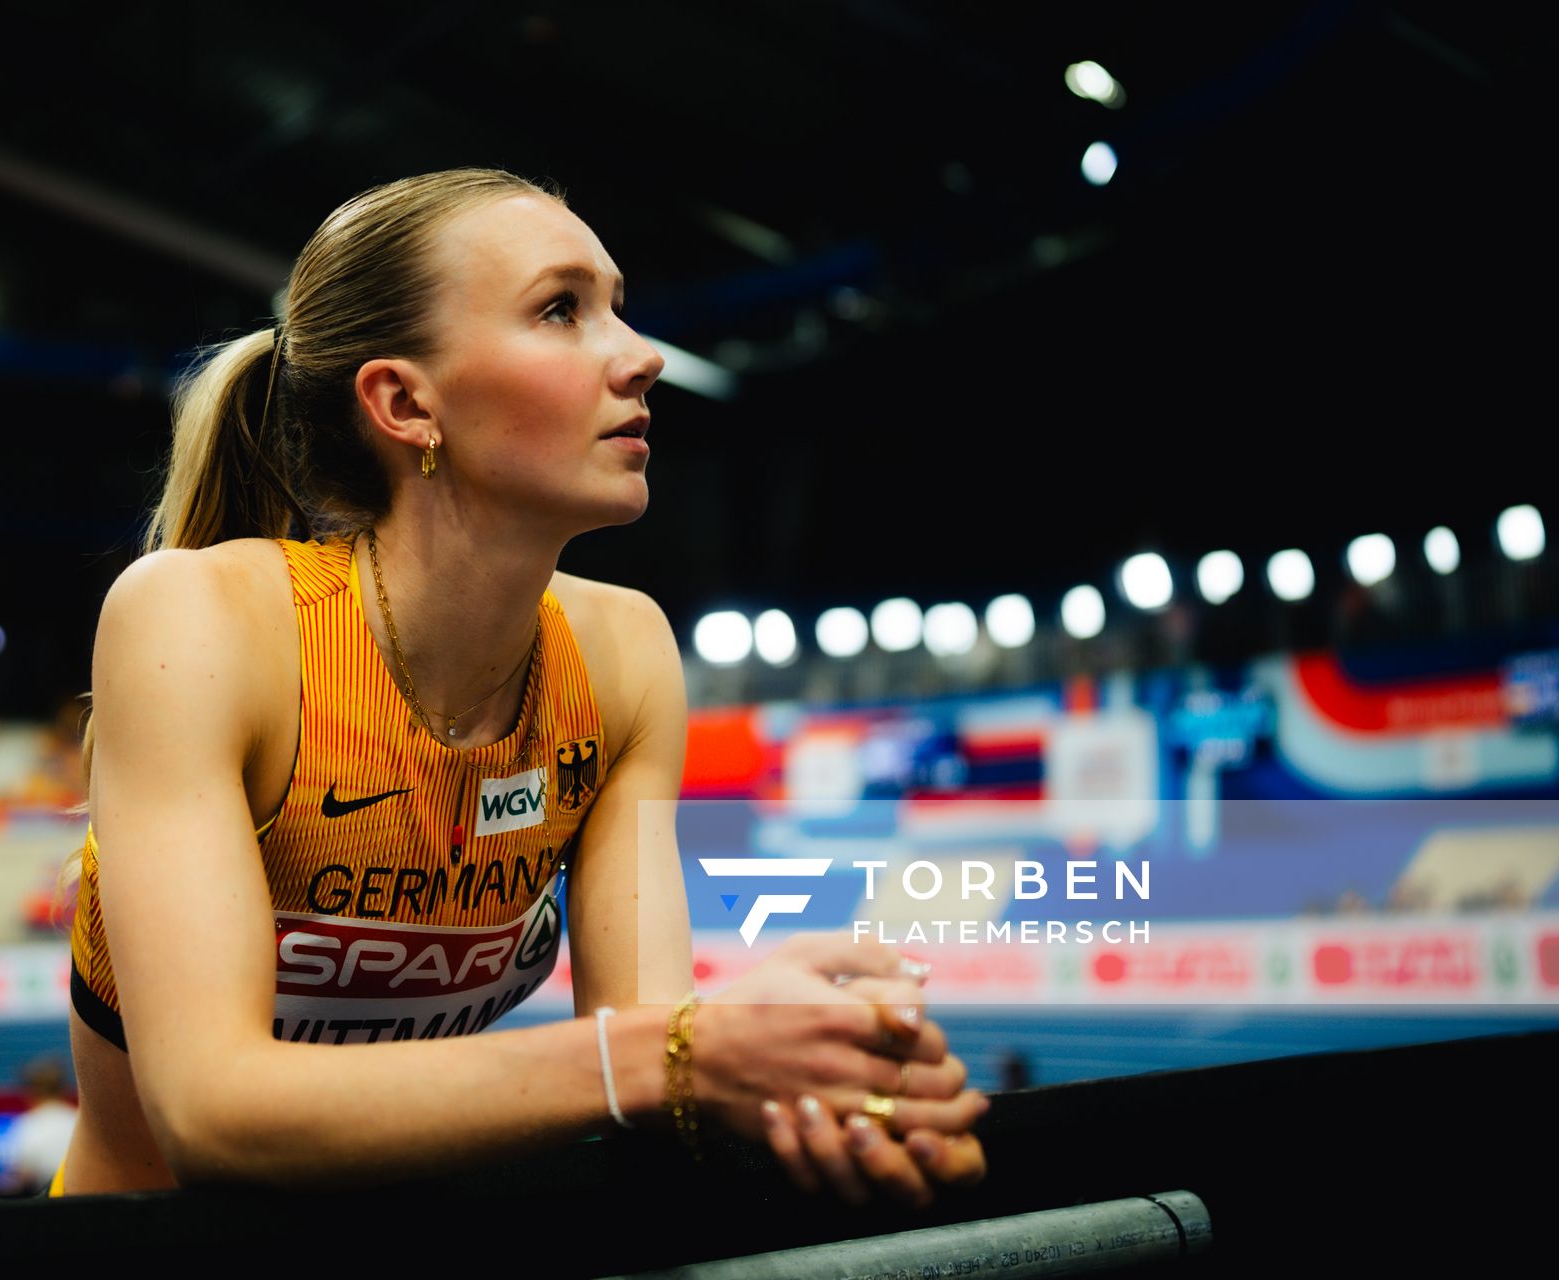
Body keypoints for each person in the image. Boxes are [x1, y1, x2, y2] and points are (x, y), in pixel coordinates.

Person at [51, 167, 989, 1208]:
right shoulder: (199, 622)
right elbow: (213, 1114)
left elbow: (657, 1056)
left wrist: (827, 1070)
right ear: (406, 402)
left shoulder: (626, 652)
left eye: (618, 309)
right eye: (561, 309)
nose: (643, 357)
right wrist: (681, 1053)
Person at [0, 1056, 79, 1194]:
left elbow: (23, 1175)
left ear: (29, 1092)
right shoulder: (78, 1119)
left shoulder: (27, 1125)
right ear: (63, 1089)